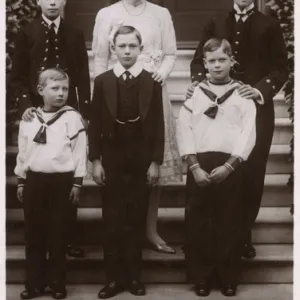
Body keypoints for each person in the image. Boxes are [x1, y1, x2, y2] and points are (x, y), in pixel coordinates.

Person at [187, 0, 288, 259]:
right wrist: (200, 86)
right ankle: (207, 237)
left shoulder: (270, 25)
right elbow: (199, 61)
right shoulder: (215, 21)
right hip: (216, 110)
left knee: (252, 172)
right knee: (215, 167)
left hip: (255, 109)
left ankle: (242, 234)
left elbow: (280, 69)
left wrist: (259, 89)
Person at [92, 0, 182, 254]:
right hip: (115, 94)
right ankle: (119, 234)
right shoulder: (106, 13)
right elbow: (100, 59)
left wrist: (158, 77)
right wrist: (102, 96)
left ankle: (150, 229)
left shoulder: (161, 13)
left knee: (150, 164)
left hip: (150, 90)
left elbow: (170, 54)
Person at [10, 0, 91, 258]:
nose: (53, 2)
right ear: (38, 2)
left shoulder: (75, 33)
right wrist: (25, 104)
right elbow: (18, 76)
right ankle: (41, 241)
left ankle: (66, 240)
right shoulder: (27, 32)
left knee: (65, 175)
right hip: (36, 110)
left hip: (66, 111)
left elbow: (80, 75)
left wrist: (83, 111)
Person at [89, 26, 164, 298]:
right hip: (112, 156)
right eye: (122, 47)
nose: (127, 51)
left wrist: (155, 161)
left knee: (135, 217)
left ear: (140, 48)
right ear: (114, 50)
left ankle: (133, 278)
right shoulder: (103, 81)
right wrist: (95, 160)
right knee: (112, 218)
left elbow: (158, 125)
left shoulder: (151, 82)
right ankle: (113, 279)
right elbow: (95, 123)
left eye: (132, 46)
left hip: (141, 157)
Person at [177, 38, 256, 297]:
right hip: (200, 164)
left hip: (230, 166)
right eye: (212, 61)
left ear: (232, 61)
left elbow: (248, 133)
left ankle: (228, 277)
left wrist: (231, 166)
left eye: (223, 59)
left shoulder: (243, 96)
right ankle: (201, 276)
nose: (217, 65)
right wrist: (194, 167)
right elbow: (184, 129)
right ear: (204, 64)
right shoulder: (195, 95)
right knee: (200, 222)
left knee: (229, 222)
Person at [15, 68, 87, 300]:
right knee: (34, 236)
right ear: (40, 90)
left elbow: (79, 152)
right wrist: (21, 181)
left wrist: (77, 183)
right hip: (35, 181)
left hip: (61, 183)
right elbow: (23, 151)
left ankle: (57, 283)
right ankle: (34, 283)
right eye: (55, 88)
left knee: (58, 234)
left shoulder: (72, 118)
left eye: (65, 89)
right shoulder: (28, 119)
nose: (61, 93)